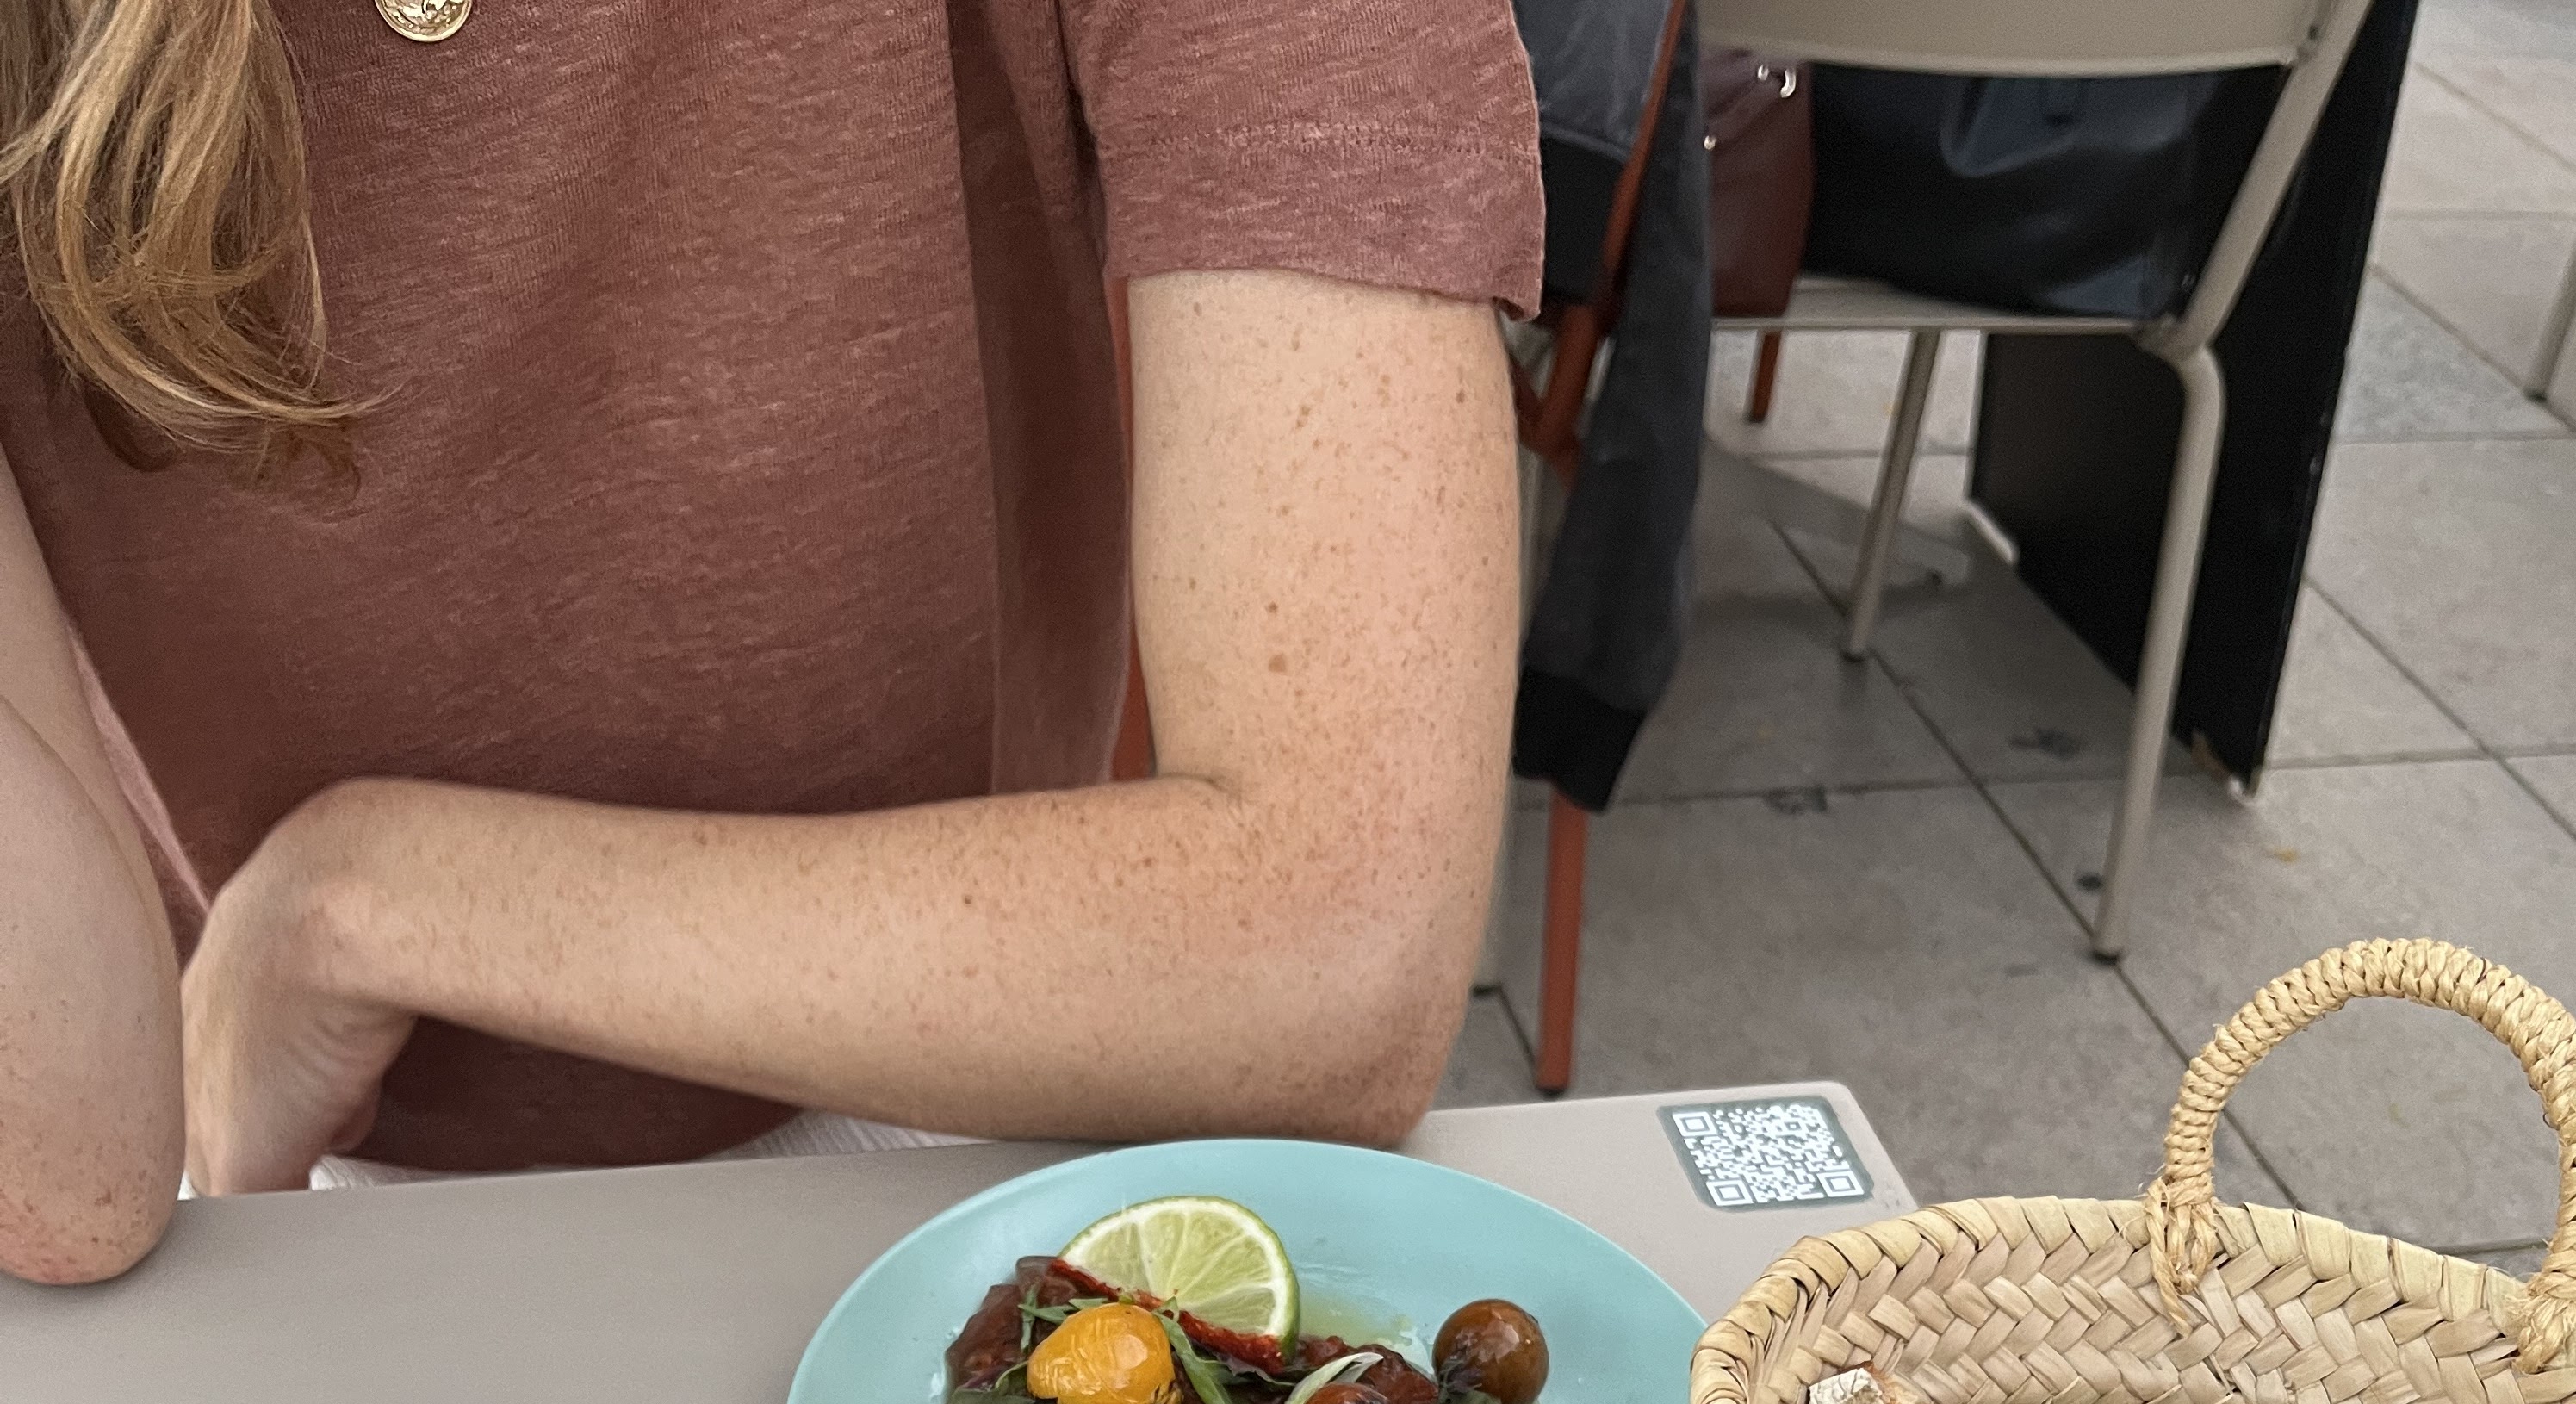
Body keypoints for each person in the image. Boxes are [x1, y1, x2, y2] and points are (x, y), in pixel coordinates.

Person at [0, 0, 1542, 1283]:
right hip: (245, 1139)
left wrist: (367, 901)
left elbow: (1338, 933)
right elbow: (71, 1177)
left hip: (986, 1098)